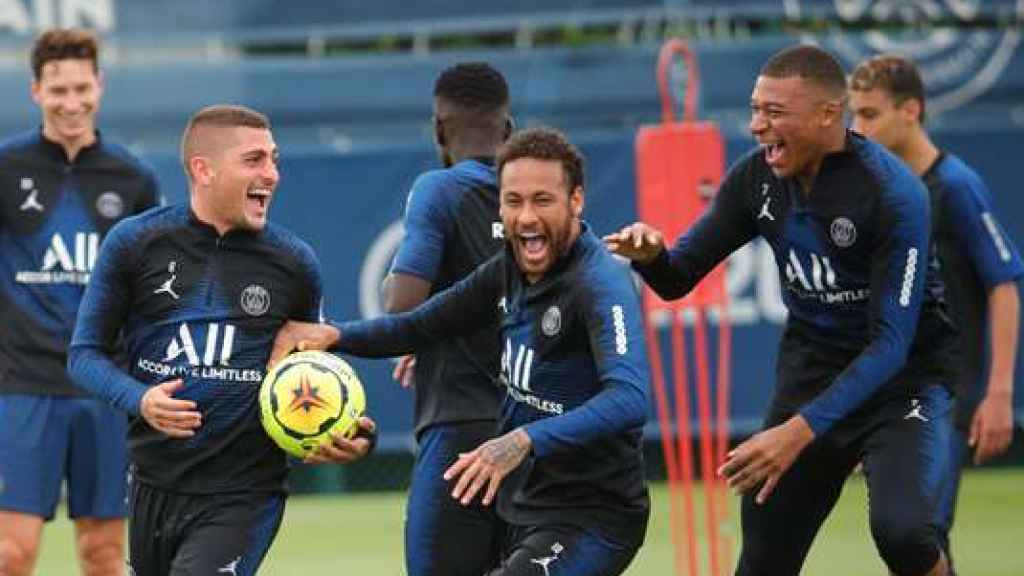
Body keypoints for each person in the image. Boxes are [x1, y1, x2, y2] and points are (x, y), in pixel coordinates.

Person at [605, 44, 958, 576]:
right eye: (754, 109)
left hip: (902, 382)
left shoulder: (895, 194)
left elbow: (890, 344)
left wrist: (796, 431)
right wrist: (652, 258)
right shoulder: (756, 178)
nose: (756, 126)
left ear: (827, 114)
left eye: (773, 113)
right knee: (765, 556)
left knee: (903, 533)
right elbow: (677, 279)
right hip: (812, 372)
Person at [271, 127, 651, 575]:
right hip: (525, 506)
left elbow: (629, 399)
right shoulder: (507, 269)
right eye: (513, 201)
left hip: (593, 516)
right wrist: (332, 336)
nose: (526, 217)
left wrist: (523, 440)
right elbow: (419, 326)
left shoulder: (599, 284)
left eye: (542, 200)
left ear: (576, 201)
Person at [66, 104, 376, 576]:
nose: (271, 174)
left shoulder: (294, 263)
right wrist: (141, 399)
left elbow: (315, 375)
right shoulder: (134, 243)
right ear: (202, 170)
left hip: (244, 492)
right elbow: (84, 355)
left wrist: (353, 433)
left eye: (274, 159)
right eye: (254, 160)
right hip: (153, 484)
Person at [848, 54, 1023, 573]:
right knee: (914, 540)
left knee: (918, 533)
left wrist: (998, 393)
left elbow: (1005, 285)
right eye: (853, 115)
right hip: (897, 396)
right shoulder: (885, 193)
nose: (858, 129)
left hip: (946, 392)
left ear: (911, 111)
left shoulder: (957, 186)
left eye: (870, 115)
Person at [0, 28, 160, 576]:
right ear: (35, 92)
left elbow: (147, 290)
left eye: (81, 88)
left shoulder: (134, 178)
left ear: (100, 86)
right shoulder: (5, 168)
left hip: (104, 390)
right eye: (58, 90)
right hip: (22, 386)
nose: (71, 102)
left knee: (103, 555)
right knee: (11, 554)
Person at [382, 62, 511, 576]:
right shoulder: (540, 196)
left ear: (439, 128)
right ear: (509, 130)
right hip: (540, 434)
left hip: (463, 430)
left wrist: (426, 323)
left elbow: (402, 303)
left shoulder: (438, 189)